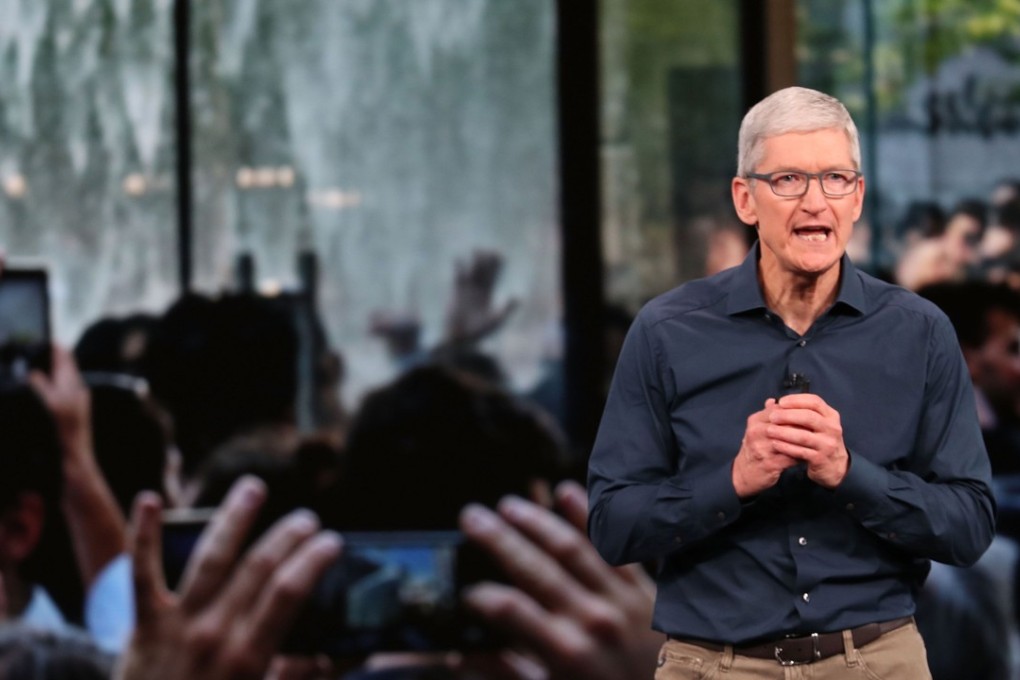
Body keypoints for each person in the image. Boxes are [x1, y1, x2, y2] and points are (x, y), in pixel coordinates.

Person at [587, 86, 996, 679]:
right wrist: (733, 481)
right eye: (787, 181)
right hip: (713, 664)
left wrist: (849, 474)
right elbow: (613, 524)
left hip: (875, 662)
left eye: (834, 178)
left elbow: (969, 526)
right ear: (745, 199)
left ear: (856, 198)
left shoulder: (920, 333)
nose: (814, 202)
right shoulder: (667, 332)